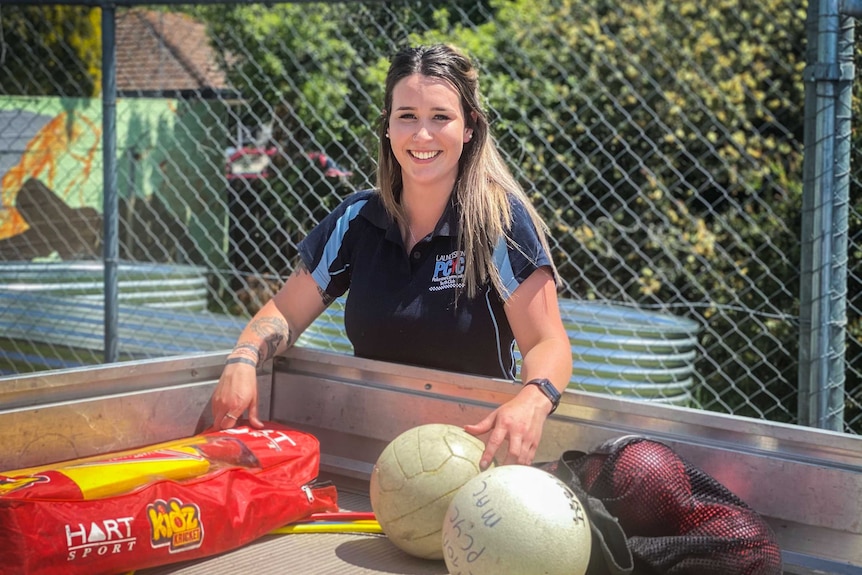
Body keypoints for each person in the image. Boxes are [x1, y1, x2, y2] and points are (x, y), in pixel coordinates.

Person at [211, 43, 572, 469]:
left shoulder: (498, 222)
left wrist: (533, 399)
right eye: (407, 117)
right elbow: (286, 312)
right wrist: (243, 357)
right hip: (370, 450)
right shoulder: (357, 219)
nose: (422, 135)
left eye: (441, 117)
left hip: (472, 456)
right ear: (387, 127)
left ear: (469, 127)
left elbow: (548, 342)